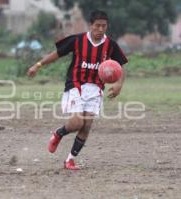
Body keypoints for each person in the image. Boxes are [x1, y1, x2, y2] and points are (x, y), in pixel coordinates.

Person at [27, 10, 128, 170]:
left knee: (86, 126)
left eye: (104, 26)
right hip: (76, 85)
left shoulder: (111, 45)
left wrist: (119, 84)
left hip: (96, 89)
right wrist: (38, 65)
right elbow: (57, 54)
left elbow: (120, 66)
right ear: (90, 25)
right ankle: (59, 133)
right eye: (97, 26)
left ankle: (70, 160)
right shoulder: (78, 40)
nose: (100, 29)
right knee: (77, 123)